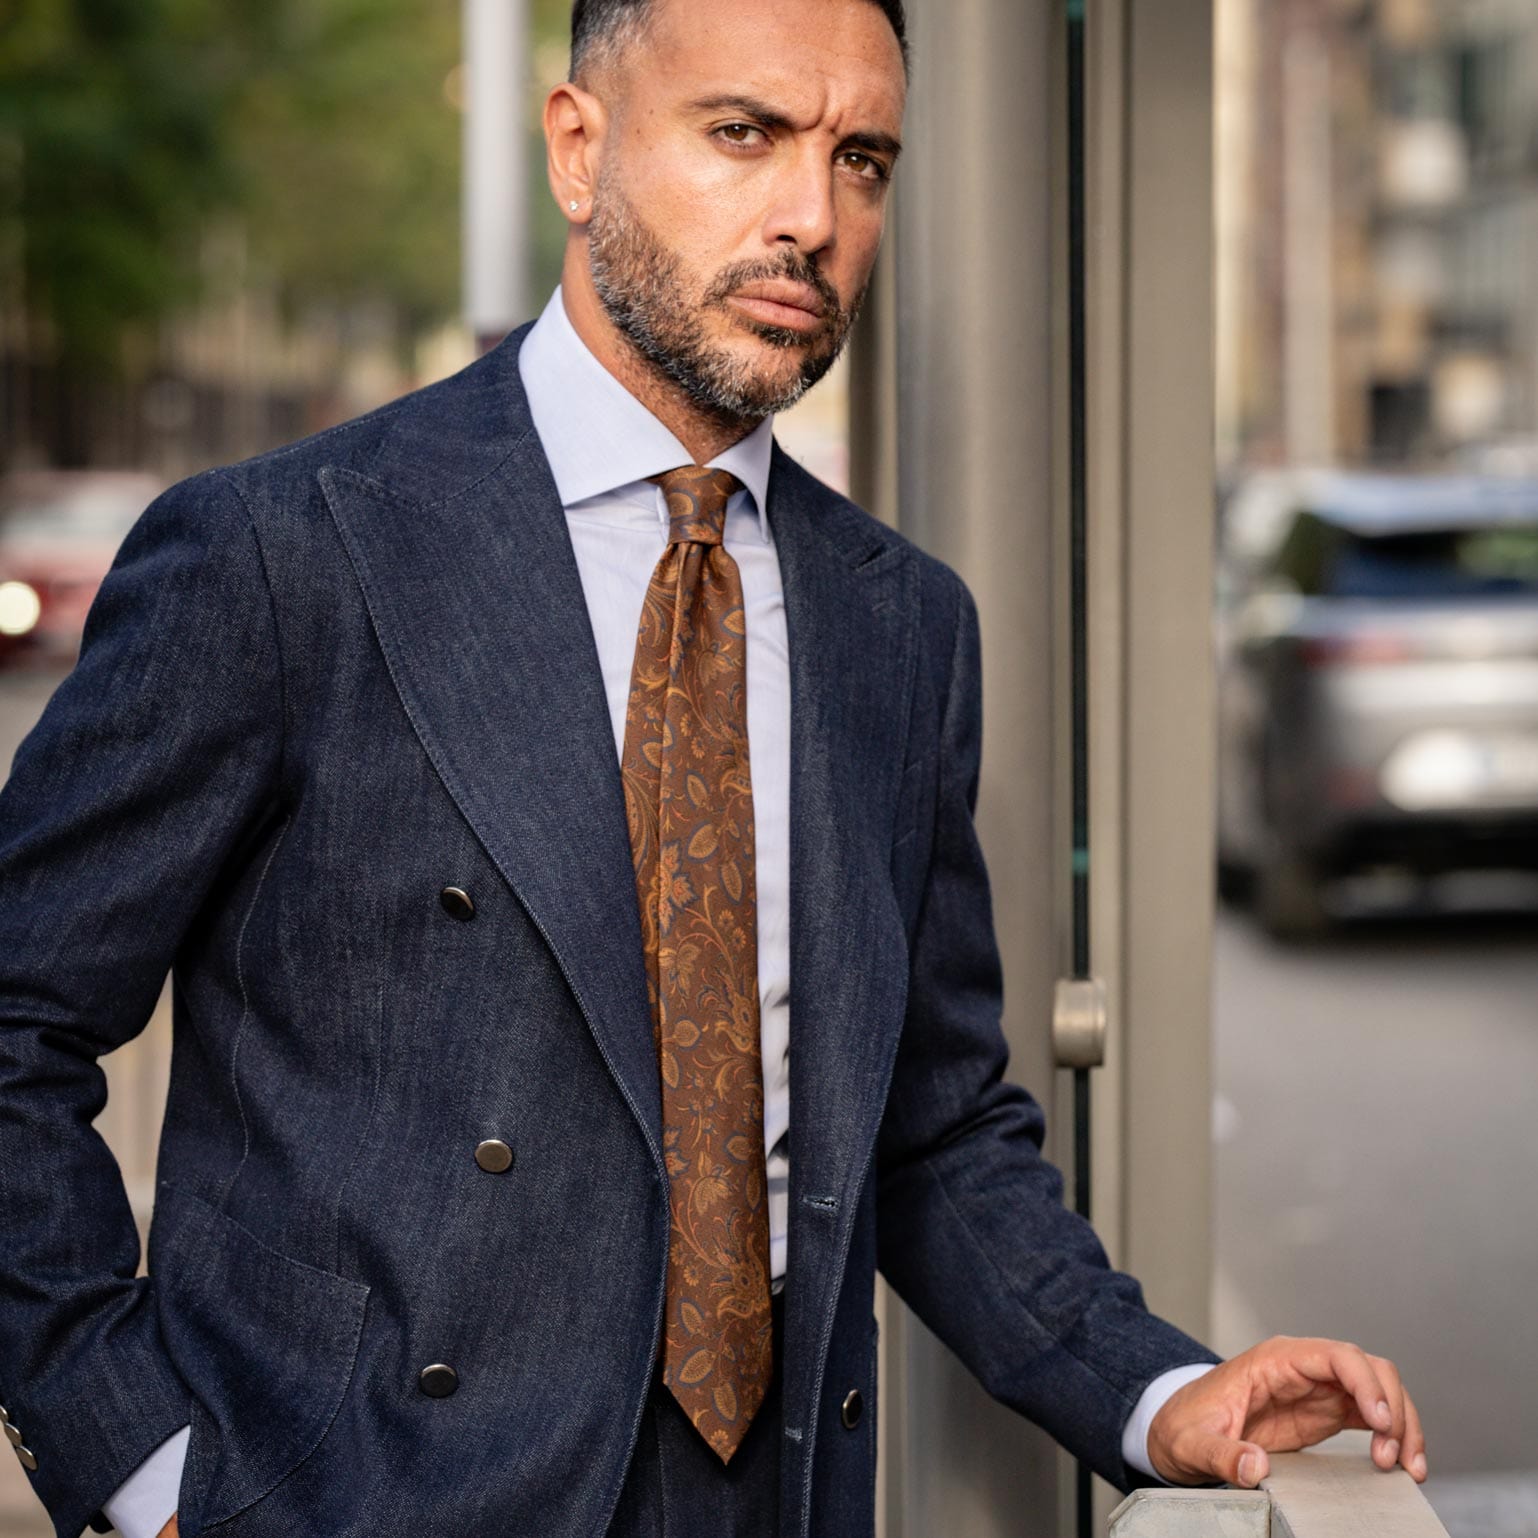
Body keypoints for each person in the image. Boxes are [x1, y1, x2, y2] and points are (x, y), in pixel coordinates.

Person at [0, 1, 1427, 1535]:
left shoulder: (902, 623)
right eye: (743, 134)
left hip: (774, 1497)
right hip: (358, 1493)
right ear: (577, 145)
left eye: (861, 158)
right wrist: (142, 1463)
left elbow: (933, 1127)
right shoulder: (288, 551)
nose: (810, 218)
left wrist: (1156, 1388)